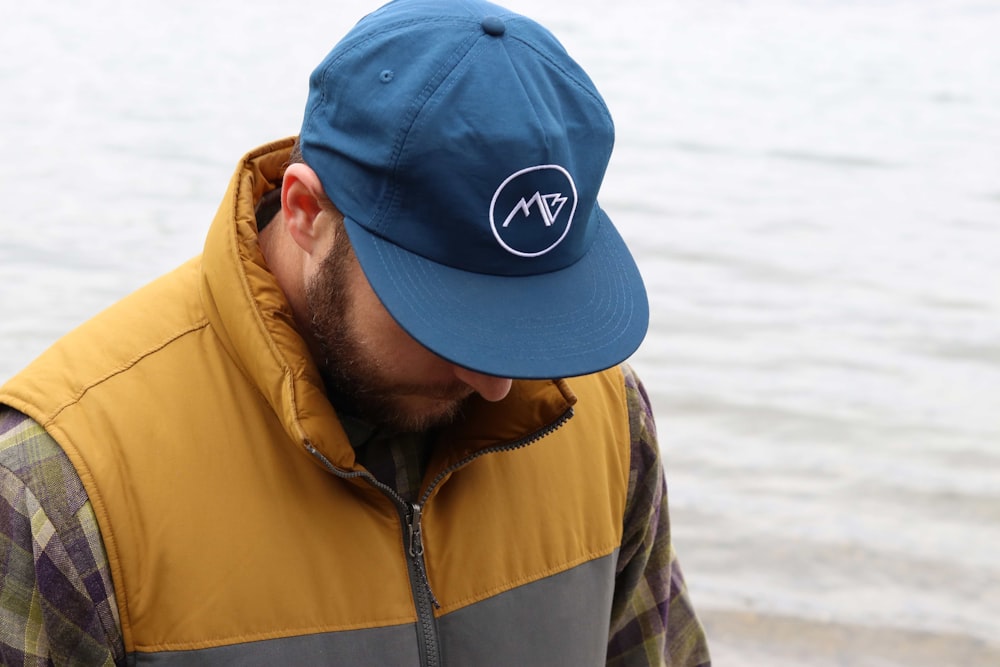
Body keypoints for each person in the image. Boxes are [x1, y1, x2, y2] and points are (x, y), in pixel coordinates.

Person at [0, 0, 711, 664]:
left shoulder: (605, 418)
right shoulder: (56, 490)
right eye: (449, 313)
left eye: (528, 312)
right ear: (308, 211)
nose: (499, 382)